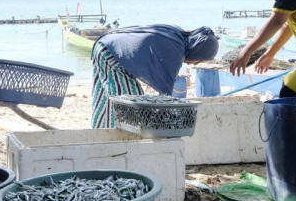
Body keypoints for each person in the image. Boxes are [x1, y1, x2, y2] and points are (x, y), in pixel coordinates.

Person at [91, 25, 219, 128]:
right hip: (110, 52)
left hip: (105, 45)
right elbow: (165, 93)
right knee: (131, 102)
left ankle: (100, 132)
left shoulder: (177, 36)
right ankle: (122, 139)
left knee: (107, 99)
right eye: (199, 60)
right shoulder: (176, 50)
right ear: (198, 50)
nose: (194, 63)